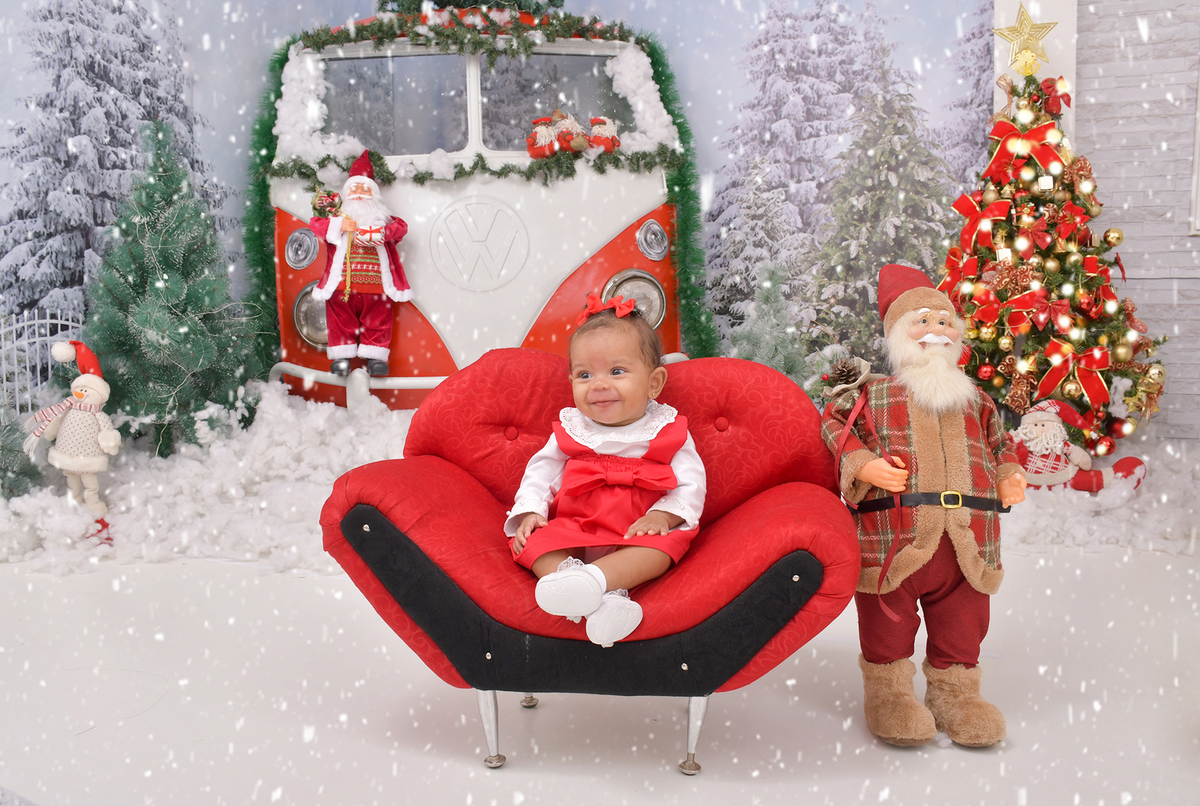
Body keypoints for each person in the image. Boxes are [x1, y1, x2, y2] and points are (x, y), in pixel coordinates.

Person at [821, 264, 1027, 749]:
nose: (936, 331)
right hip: (894, 536)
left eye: (944, 322)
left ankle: (957, 695)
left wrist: (1009, 474)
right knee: (887, 620)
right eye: (922, 321)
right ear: (897, 333)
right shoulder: (873, 394)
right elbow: (835, 428)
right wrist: (865, 466)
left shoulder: (975, 399)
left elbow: (1001, 445)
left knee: (965, 620)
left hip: (969, 539)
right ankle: (889, 692)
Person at [505, 294, 706, 647]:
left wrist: (663, 515)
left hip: (637, 529)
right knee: (533, 543)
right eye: (585, 374)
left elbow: (691, 482)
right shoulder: (572, 428)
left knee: (659, 551)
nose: (598, 384)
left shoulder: (667, 428)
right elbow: (541, 472)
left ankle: (594, 584)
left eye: (616, 371)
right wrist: (532, 511)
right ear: (571, 380)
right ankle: (589, 593)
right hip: (576, 526)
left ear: (654, 383)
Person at [309, 150, 411, 377]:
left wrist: (379, 232)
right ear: (346, 194)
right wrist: (339, 226)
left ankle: (375, 358)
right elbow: (316, 224)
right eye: (354, 189)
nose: (359, 194)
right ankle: (341, 358)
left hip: (377, 288)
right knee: (339, 320)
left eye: (365, 190)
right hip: (341, 286)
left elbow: (401, 228)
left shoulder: (382, 220)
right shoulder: (339, 217)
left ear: (374, 195)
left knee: (378, 320)